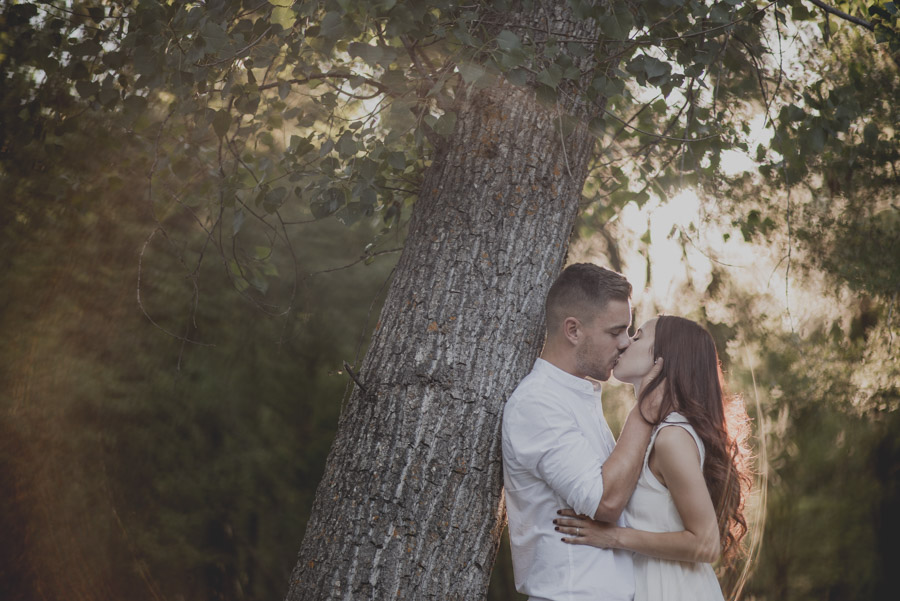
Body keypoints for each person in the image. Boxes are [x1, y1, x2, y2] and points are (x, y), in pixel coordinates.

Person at [553, 316, 752, 601]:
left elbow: (706, 543)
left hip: (674, 590)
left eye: (638, 336)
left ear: (664, 358)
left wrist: (613, 537)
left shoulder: (672, 437)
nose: (625, 343)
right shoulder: (654, 432)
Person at [502, 264, 663, 601]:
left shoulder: (577, 396)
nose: (625, 343)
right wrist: (646, 410)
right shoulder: (538, 404)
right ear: (573, 330)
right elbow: (605, 503)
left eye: (629, 331)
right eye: (615, 331)